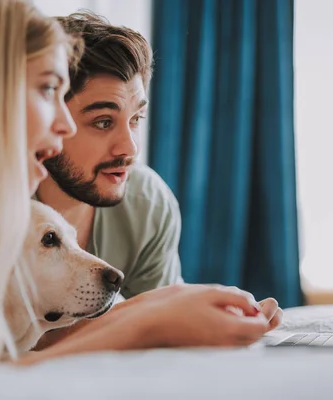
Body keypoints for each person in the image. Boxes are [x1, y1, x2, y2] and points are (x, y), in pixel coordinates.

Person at [0, 0, 270, 375]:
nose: (62, 124)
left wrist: (170, 307)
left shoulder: (147, 202)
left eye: (137, 119)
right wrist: (147, 321)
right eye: (48, 89)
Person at [34, 12, 282, 341]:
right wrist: (164, 312)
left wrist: (209, 314)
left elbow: (160, 341)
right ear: (51, 119)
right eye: (104, 122)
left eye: (136, 119)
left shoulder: (147, 203)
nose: (130, 148)